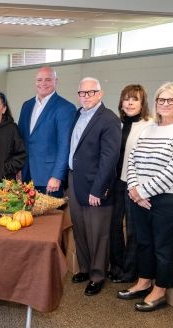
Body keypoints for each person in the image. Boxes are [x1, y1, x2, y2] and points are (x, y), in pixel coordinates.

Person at [120, 82, 173, 312]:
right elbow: (132, 160)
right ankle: (144, 281)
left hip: (170, 200)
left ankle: (160, 290)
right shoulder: (148, 129)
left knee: (162, 247)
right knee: (143, 242)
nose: (164, 104)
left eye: (170, 100)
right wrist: (134, 189)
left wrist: (141, 192)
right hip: (140, 197)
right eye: (161, 100)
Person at [68, 77, 121, 296]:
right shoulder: (77, 114)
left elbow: (109, 158)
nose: (85, 97)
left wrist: (98, 189)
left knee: (97, 233)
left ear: (100, 93)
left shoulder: (108, 119)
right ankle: (85, 269)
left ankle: (98, 275)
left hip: (95, 186)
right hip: (75, 180)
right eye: (82, 93)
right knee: (80, 229)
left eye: (90, 93)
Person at [109, 85, 153, 283]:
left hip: (134, 184)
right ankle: (116, 267)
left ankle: (129, 271)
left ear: (142, 103)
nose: (129, 103)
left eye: (134, 99)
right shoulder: (117, 124)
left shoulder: (150, 125)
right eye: (126, 99)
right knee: (114, 226)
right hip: (116, 181)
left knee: (133, 230)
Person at [18, 66, 76, 197]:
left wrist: (57, 175)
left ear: (56, 81)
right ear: (35, 82)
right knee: (26, 215)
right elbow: (21, 140)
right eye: (39, 80)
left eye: (48, 80)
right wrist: (19, 169)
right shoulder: (26, 106)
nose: (43, 83)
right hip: (27, 174)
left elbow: (65, 145)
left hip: (50, 178)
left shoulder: (65, 108)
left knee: (50, 217)